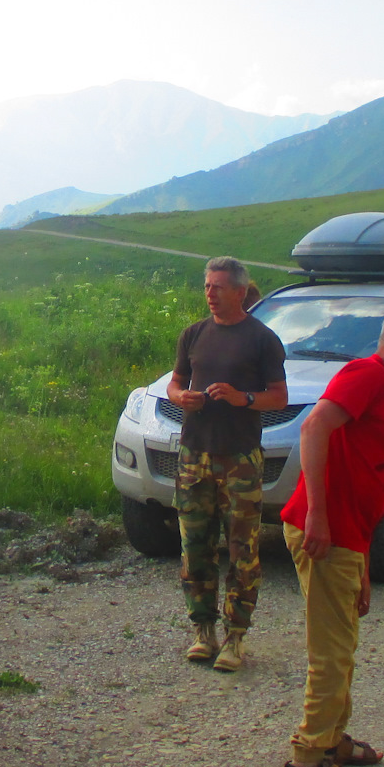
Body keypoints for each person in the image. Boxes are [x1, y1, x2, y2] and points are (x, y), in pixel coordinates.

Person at [279, 305, 384, 767]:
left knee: (344, 645)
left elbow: (366, 477)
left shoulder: (383, 391)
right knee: (330, 652)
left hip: (349, 537)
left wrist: (364, 565)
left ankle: (332, 740)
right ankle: (310, 761)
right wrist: (319, 515)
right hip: (326, 532)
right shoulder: (366, 374)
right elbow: (314, 428)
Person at [168, 257, 288, 672]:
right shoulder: (193, 335)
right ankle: (203, 631)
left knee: (242, 550)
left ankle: (236, 636)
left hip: (239, 459)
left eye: (218, 287)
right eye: (206, 286)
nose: (210, 294)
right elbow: (175, 381)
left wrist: (244, 398)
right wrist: (180, 397)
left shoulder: (262, 339)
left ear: (239, 291)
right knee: (195, 546)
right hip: (193, 455)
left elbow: (280, 396)